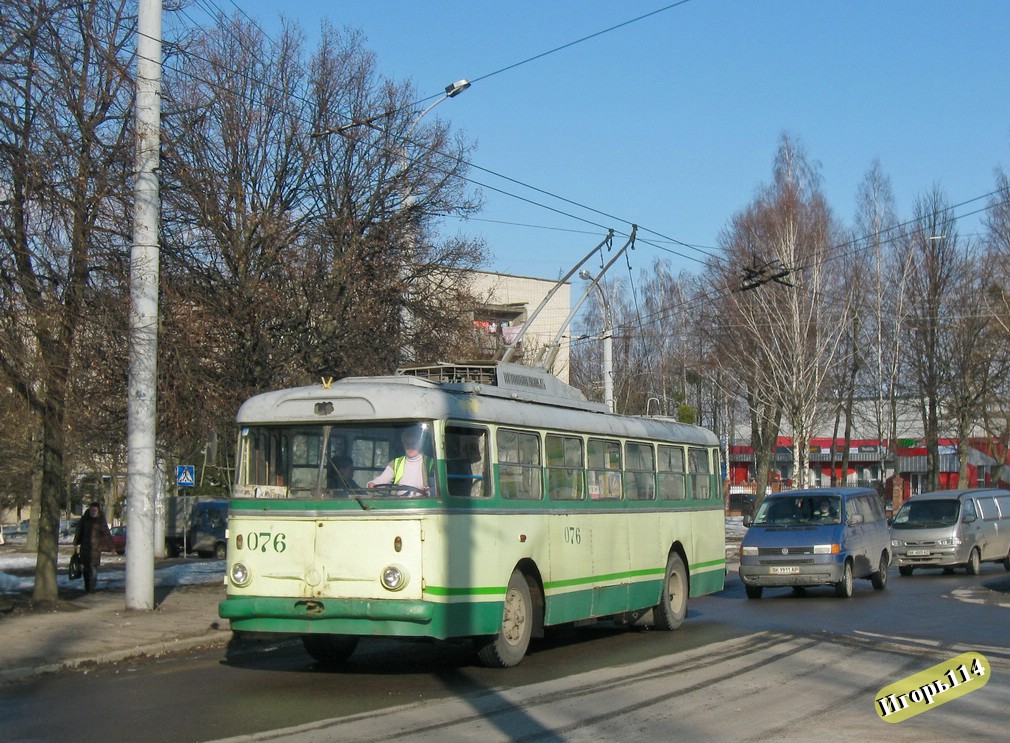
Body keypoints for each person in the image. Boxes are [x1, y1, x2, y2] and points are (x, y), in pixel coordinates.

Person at [367, 427, 435, 494]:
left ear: (420, 444)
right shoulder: (396, 463)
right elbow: (383, 478)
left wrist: (429, 491)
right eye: (407, 444)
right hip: (399, 500)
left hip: (422, 500)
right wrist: (373, 484)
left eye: (414, 444)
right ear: (403, 444)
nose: (410, 447)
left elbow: (436, 487)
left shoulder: (430, 463)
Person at [73, 502, 113, 592]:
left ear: (98, 511)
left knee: (94, 568)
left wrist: (111, 546)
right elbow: (79, 531)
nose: (93, 512)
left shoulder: (101, 520)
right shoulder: (85, 519)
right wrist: (76, 542)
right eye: (92, 510)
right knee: (86, 569)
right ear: (89, 510)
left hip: (96, 549)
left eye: (95, 510)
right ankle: (87, 586)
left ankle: (92, 587)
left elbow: (107, 533)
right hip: (85, 548)